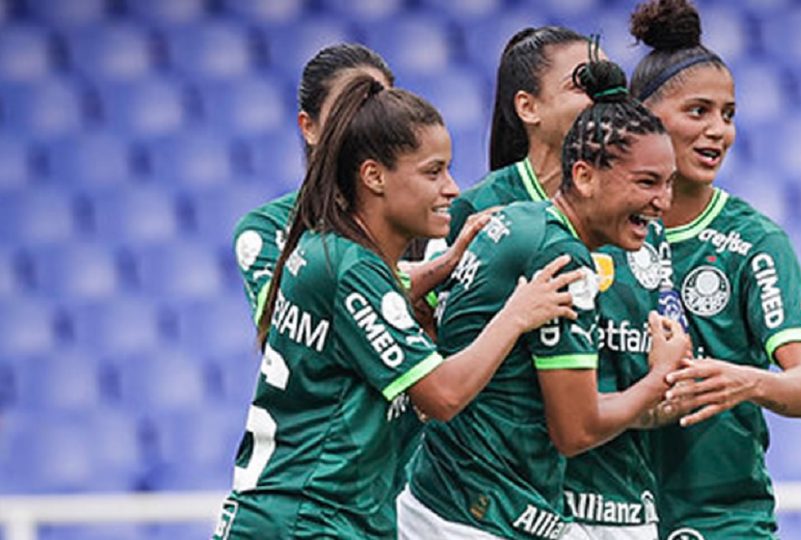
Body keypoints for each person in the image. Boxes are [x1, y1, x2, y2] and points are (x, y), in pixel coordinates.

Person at [213, 75, 587, 539]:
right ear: (374, 176)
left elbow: (384, 300)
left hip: (315, 519)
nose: (452, 188)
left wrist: (445, 266)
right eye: (433, 172)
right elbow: (443, 396)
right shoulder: (349, 269)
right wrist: (516, 314)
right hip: (308, 523)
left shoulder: (331, 252)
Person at [401, 56, 689, 539]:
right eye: (646, 182)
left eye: (668, 184)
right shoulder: (560, 256)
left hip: (446, 496)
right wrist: (660, 376)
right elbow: (575, 430)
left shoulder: (519, 220)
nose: (662, 202)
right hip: (478, 516)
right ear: (584, 175)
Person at [627, 1, 801, 538]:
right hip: (612, 513)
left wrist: (748, 382)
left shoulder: (753, 241)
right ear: (643, 117)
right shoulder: (594, 237)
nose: (719, 130)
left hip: (723, 520)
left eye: (728, 114)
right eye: (698, 111)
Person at [233, 43, 493, 328]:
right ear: (309, 127)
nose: (368, 124)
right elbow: (281, 332)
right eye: (350, 110)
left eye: (379, 106)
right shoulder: (266, 229)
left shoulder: (429, 212)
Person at [445, 26, 592, 242]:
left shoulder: (633, 204)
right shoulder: (475, 208)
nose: (604, 97)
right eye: (581, 86)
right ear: (528, 107)